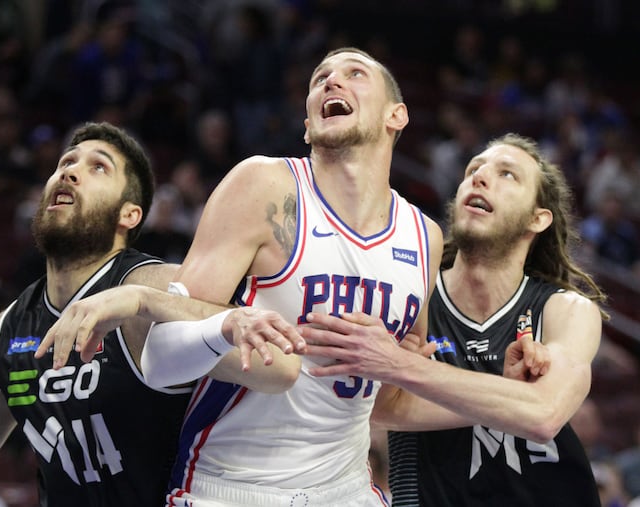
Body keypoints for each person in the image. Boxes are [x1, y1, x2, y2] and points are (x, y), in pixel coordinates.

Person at [49, 47, 443, 506]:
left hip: (348, 488)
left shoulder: (424, 237)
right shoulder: (264, 186)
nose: (331, 83)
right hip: (232, 486)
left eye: (355, 74)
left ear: (397, 115)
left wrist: (430, 376)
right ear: (308, 125)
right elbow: (160, 358)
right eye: (320, 79)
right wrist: (224, 325)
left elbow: (387, 400)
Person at [0, 121, 298, 507]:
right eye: (65, 163)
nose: (70, 171)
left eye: (98, 167)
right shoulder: (8, 329)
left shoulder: (158, 287)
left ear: (128, 214)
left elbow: (279, 364)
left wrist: (144, 302)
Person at [299, 133, 607, 506]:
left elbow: (543, 413)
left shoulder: (566, 309)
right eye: (473, 169)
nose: (479, 177)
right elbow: (379, 409)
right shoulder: (410, 292)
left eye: (507, 175)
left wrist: (399, 365)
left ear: (538, 218)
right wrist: (506, 395)